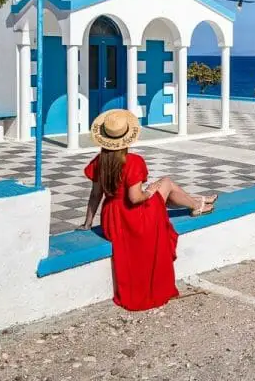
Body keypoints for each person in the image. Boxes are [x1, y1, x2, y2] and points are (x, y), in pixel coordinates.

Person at [81, 109, 217, 311]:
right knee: (166, 183)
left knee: (164, 189)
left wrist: (88, 223)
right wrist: (149, 193)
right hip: (134, 219)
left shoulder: (99, 162)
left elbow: (95, 195)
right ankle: (197, 204)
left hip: (112, 219)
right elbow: (135, 199)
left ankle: (196, 201)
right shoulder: (133, 162)